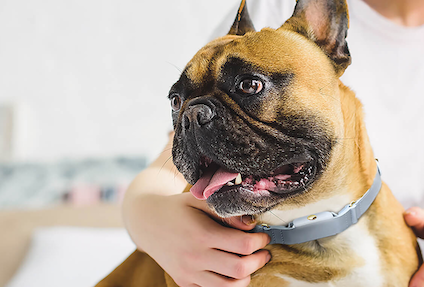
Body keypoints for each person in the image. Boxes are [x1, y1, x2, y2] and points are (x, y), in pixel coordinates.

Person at [123, 0, 424, 286]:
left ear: (329, 43)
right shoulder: (269, 8)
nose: (194, 116)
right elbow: (164, 177)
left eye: (249, 85)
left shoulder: (303, 39)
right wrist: (147, 214)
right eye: (178, 103)